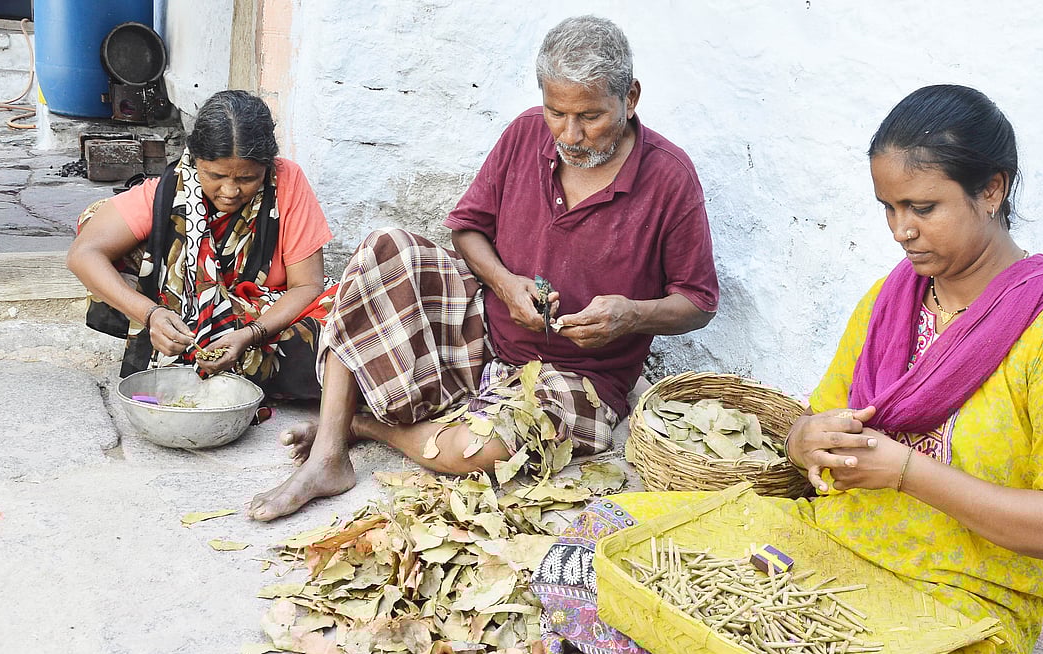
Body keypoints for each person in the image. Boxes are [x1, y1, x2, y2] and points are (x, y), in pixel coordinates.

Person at [495, 84, 1043, 654]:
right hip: (820, 548)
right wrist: (806, 440)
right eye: (888, 208)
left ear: (992, 190)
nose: (901, 230)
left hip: (959, 602)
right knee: (598, 540)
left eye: (923, 207)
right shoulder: (894, 297)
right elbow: (810, 429)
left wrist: (907, 473)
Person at [248, 16, 719, 521]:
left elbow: (698, 302)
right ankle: (328, 458)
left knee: (477, 452)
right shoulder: (524, 135)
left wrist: (632, 316)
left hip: (581, 377)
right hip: (487, 330)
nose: (571, 134)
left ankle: (361, 426)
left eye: (591, 116)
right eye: (556, 112)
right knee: (382, 251)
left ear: (630, 98)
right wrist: (503, 283)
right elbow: (468, 229)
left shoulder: (669, 177)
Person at [68, 90, 334, 400]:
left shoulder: (287, 182)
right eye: (217, 176)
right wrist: (150, 314)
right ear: (196, 160)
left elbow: (307, 286)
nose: (230, 190)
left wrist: (250, 335)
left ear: (267, 167)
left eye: (248, 178)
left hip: (266, 314)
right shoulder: (169, 193)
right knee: (102, 229)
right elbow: (83, 254)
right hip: (184, 314)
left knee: (339, 332)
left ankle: (228, 357)